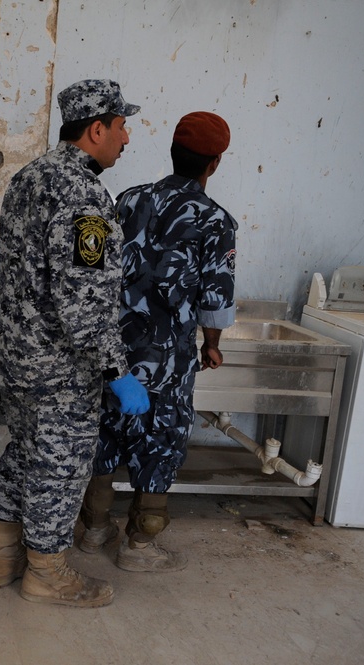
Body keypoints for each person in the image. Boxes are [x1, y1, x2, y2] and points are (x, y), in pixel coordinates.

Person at [0, 79, 150, 608]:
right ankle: (47, 572)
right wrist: (116, 371)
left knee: (24, 454)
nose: (126, 139)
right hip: (60, 371)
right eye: (121, 127)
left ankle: (1, 555)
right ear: (96, 129)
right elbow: (83, 303)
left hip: (15, 358)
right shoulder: (84, 197)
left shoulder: (29, 178)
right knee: (59, 468)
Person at [79, 111, 237, 573]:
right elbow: (216, 297)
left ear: (172, 152)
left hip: (112, 353)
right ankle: (139, 547)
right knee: (161, 442)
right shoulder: (215, 221)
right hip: (168, 358)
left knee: (107, 432)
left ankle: (92, 530)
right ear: (214, 164)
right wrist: (212, 343)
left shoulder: (126, 200)